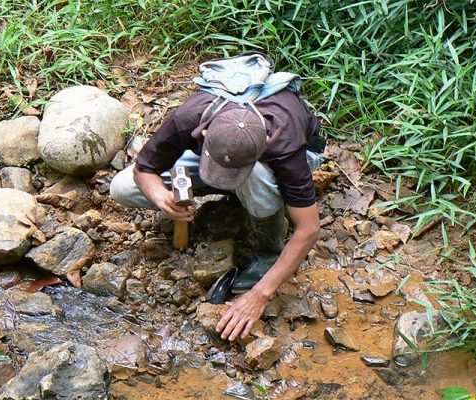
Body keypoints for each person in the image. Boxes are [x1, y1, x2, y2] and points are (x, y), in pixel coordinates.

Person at [110, 53, 323, 342]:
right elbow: (144, 169)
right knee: (122, 187)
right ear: (205, 131)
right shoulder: (192, 115)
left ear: (264, 146)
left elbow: (308, 228)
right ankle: (242, 188)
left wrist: (261, 294)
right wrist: (161, 197)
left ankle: (268, 246)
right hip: (228, 155)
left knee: (257, 178)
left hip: (267, 166)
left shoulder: (285, 142)